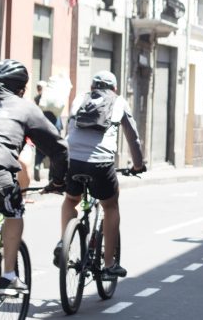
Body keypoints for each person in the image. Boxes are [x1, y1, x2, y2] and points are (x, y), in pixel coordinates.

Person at [56, 71, 145, 280]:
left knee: (71, 199)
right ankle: (108, 265)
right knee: (110, 205)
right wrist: (138, 165)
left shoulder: (80, 99)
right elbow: (133, 138)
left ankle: (64, 243)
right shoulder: (119, 102)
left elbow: (69, 128)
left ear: (92, 87)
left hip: (73, 160)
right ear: (114, 89)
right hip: (101, 164)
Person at [0, 60, 68, 293]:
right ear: (22, 89)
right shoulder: (25, 108)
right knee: (14, 210)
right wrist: (57, 181)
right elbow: (59, 149)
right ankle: (8, 276)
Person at [33, 80, 62, 182]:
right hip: (54, 128)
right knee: (54, 153)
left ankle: (37, 165)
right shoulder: (53, 98)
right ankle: (51, 177)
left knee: (39, 150)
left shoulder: (37, 99)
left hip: (42, 127)